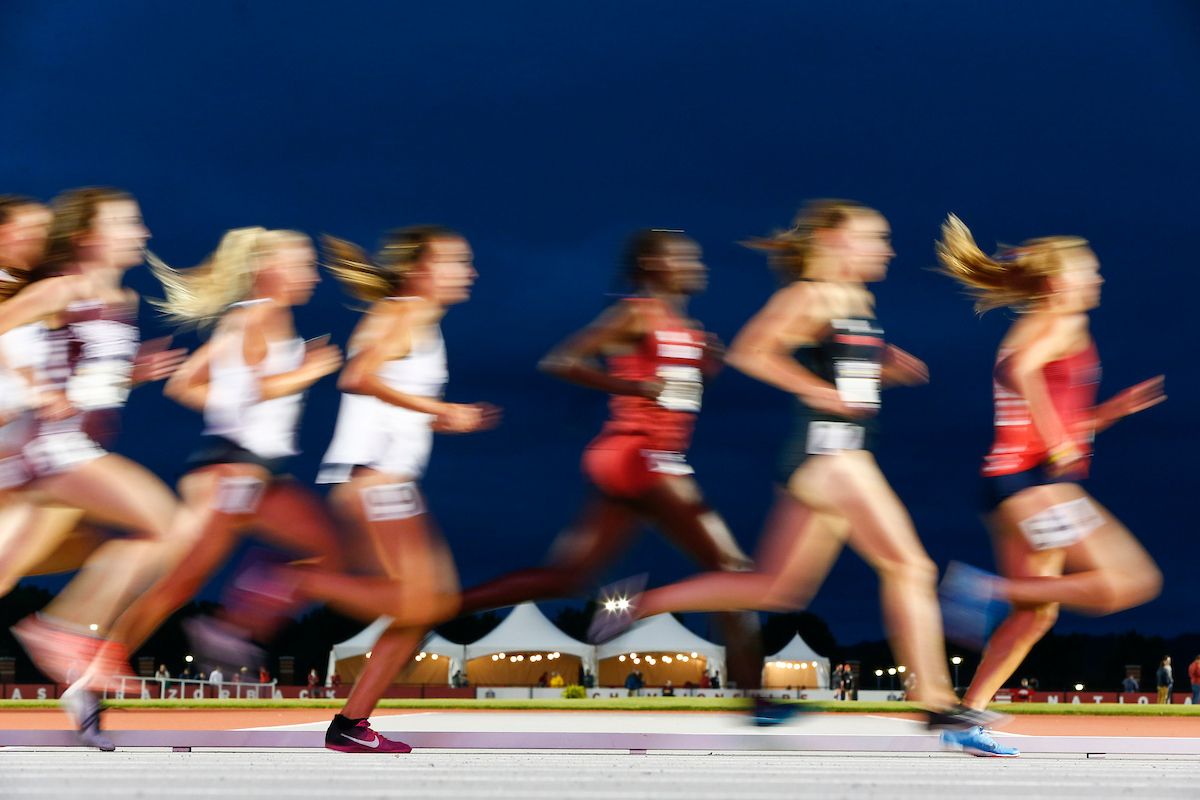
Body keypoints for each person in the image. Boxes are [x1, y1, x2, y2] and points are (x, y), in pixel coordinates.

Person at [591, 201, 982, 733]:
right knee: (910, 568)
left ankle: (633, 605)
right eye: (876, 237)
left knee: (777, 590)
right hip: (833, 455)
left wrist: (886, 373)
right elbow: (753, 352)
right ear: (832, 240)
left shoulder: (856, 299)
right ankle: (935, 698)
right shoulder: (810, 293)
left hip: (828, 457)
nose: (888, 248)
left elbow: (846, 382)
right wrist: (821, 390)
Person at [459, 229, 763, 697]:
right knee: (732, 573)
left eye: (694, 256)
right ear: (650, 265)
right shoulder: (635, 313)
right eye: (681, 257)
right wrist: (636, 389)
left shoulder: (689, 329)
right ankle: (757, 701)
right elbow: (561, 359)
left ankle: (442, 607)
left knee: (569, 577)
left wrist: (703, 365)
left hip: (631, 458)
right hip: (643, 456)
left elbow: (674, 387)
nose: (694, 264)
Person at [68, 227, 347, 697]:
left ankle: (231, 626)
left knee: (326, 552)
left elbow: (183, 384)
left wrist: (238, 405)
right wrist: (305, 373)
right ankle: (93, 669)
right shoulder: (255, 319)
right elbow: (248, 391)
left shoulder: (255, 319)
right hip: (231, 470)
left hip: (261, 471)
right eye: (301, 263)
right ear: (266, 270)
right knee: (181, 581)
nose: (312, 274)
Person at [935, 215, 1165, 752]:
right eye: (1091, 271)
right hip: (1035, 485)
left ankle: (965, 718)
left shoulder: (1045, 322)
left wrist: (1109, 413)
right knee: (1129, 581)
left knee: (1038, 613)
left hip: (1011, 483)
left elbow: (1046, 402)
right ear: (1059, 283)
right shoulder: (1059, 323)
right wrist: (1057, 437)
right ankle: (982, 590)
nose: (1099, 279)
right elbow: (1023, 375)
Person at [281, 226, 496, 753]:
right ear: (422, 269)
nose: (469, 272)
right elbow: (356, 377)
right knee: (423, 604)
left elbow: (384, 395)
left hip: (385, 478)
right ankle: (293, 583)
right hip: (375, 478)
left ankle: (351, 724)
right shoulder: (407, 312)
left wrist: (438, 422)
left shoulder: (418, 320)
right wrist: (442, 409)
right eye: (456, 261)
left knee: (429, 606)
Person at [0, 187, 187, 749]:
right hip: (52, 448)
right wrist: (35, 387)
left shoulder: (120, 299)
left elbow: (86, 375)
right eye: (127, 223)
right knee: (167, 523)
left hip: (68, 452)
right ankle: (63, 632)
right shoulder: (66, 288)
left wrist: (133, 373)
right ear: (89, 236)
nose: (143, 233)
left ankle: (77, 673)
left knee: (33, 564)